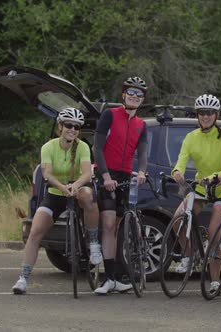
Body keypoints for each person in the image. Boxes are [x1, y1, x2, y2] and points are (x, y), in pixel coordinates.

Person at [12, 108, 101, 294]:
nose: (73, 129)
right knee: (35, 232)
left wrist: (74, 186)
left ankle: (93, 245)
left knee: (87, 195)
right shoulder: (48, 147)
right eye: (68, 125)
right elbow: (47, 174)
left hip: (77, 189)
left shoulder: (82, 147)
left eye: (76, 127)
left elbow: (86, 174)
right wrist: (62, 187)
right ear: (60, 126)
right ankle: (23, 279)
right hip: (55, 193)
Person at [171, 94, 221, 293]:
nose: (205, 117)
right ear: (197, 115)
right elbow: (181, 161)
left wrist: (217, 176)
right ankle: (190, 256)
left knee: (213, 232)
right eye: (202, 113)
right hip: (201, 188)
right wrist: (177, 172)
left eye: (209, 113)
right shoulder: (191, 137)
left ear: (216, 115)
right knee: (177, 220)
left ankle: (215, 280)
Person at [93, 76, 149, 295]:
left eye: (139, 94)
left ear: (143, 99)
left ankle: (115, 277)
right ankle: (107, 278)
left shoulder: (141, 125)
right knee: (107, 225)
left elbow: (142, 152)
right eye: (131, 93)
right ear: (123, 95)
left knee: (116, 227)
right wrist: (105, 176)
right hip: (107, 173)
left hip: (125, 175)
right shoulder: (110, 115)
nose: (134, 97)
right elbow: (97, 147)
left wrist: (142, 171)